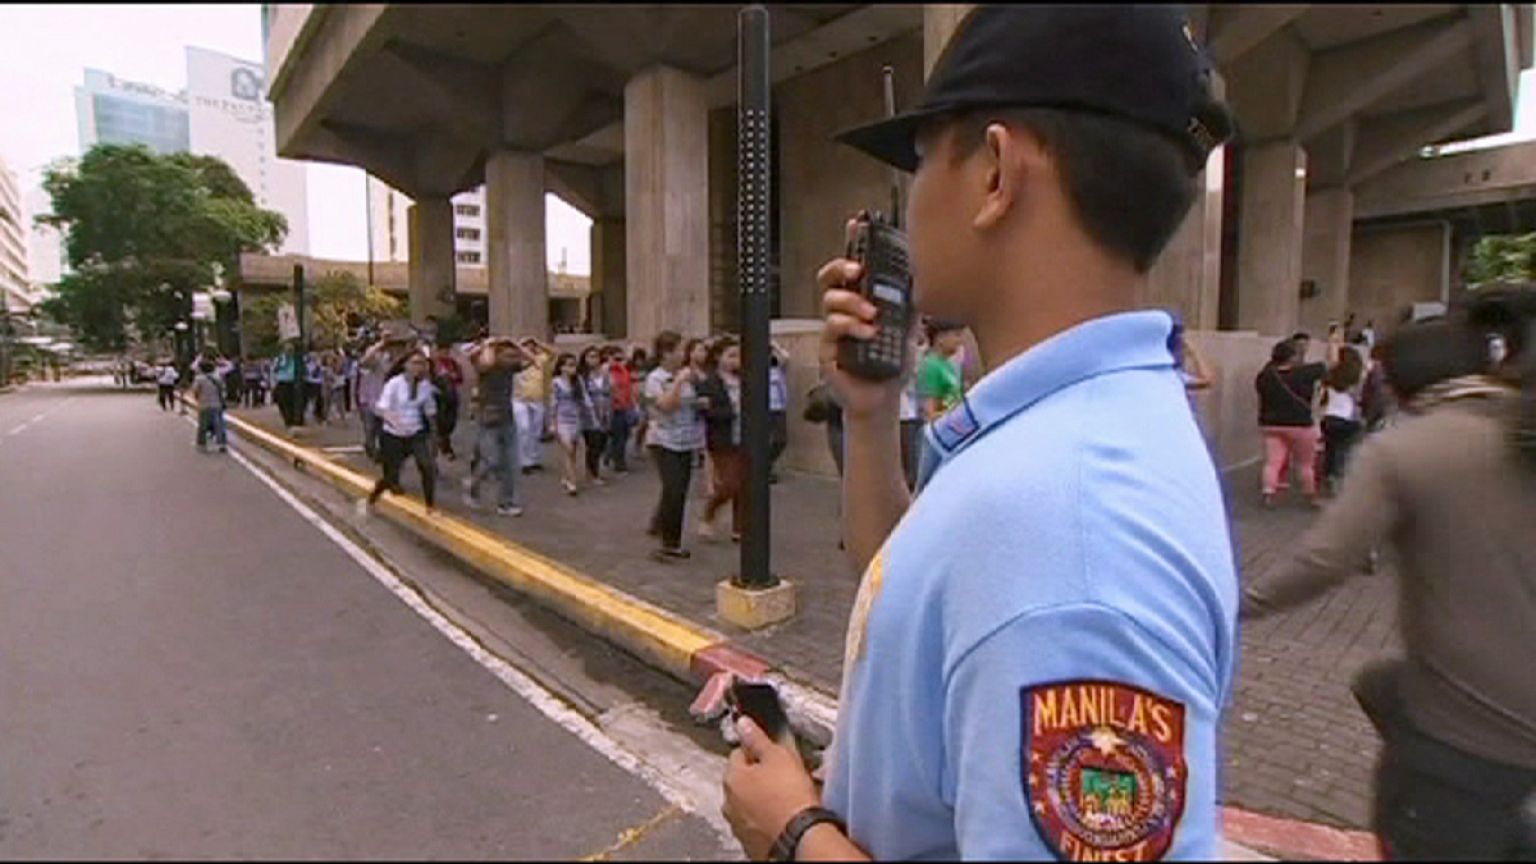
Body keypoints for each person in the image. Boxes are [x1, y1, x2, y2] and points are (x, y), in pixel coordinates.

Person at [720, 6, 1237, 860]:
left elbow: (1022, 581)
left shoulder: (1070, 524)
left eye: (921, 162)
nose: (911, 203)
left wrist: (792, 834)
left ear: (996, 172)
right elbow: (918, 587)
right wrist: (871, 413)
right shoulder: (1060, 435)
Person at [1242, 315, 1536, 861]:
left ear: (1396, 386)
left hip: (1465, 750)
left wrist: (1234, 605)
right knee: (1381, 684)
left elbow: (1325, 559)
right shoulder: (1517, 426)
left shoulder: (1409, 449)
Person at [643, 330, 705, 561]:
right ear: (666, 353)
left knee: (679, 490)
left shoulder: (688, 374)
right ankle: (670, 543)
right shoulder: (655, 379)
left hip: (686, 440)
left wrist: (699, 402)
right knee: (674, 489)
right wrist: (678, 382)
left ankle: (661, 524)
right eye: (679, 350)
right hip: (664, 440)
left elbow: (691, 401)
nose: (683, 355)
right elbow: (666, 405)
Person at [1255, 338, 1326, 508]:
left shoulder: (1264, 376)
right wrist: (1335, 340)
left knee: (1272, 462)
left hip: (1271, 425)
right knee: (1305, 464)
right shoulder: (1304, 373)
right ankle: (1310, 496)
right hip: (1300, 425)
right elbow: (1332, 363)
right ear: (1292, 357)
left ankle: (1268, 493)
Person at [365, 351, 439, 513]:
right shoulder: (394, 384)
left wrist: (435, 439)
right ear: (405, 366)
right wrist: (395, 422)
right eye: (414, 363)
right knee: (391, 476)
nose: (418, 367)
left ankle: (430, 505)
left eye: (422, 363)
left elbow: (431, 413)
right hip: (393, 435)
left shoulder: (425, 387)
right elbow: (381, 408)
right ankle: (373, 497)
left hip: (415, 433)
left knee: (427, 467)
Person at [463, 337, 527, 517]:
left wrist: (514, 343)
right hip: (488, 421)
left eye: (512, 356)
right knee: (491, 461)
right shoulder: (484, 368)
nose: (511, 359)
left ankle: (505, 503)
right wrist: (489, 344)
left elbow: (532, 360)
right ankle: (472, 485)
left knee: (511, 465)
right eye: (507, 356)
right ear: (497, 355)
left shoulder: (511, 369)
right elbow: (478, 358)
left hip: (508, 420)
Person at [696, 337, 744, 542]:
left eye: (738, 356)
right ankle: (709, 514)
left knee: (744, 484)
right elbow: (707, 412)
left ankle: (739, 528)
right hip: (722, 438)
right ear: (718, 357)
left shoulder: (745, 380)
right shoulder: (710, 383)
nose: (736, 360)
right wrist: (732, 411)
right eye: (731, 355)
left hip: (744, 436)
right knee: (730, 483)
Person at [1319, 345, 1366, 494]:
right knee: (1345, 451)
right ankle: (1340, 479)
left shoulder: (1328, 377)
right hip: (1348, 419)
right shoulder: (1357, 379)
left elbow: (1322, 400)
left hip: (1329, 418)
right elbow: (1359, 400)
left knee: (1330, 449)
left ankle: (1329, 475)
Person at [550, 352, 591, 496]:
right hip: (562, 419)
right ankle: (573, 483)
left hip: (576, 419)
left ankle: (566, 475)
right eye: (569, 365)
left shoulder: (578, 381)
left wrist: (591, 415)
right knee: (568, 448)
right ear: (561, 367)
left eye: (574, 365)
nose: (572, 368)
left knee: (573, 451)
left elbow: (585, 399)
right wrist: (553, 423)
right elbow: (553, 403)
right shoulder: (556, 382)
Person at [514, 337, 555, 474]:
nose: (529, 348)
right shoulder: (516, 361)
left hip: (537, 400)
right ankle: (524, 461)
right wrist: (520, 344)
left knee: (536, 431)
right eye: (527, 346)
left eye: (531, 345)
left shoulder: (541, 360)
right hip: (520, 400)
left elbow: (553, 353)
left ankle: (534, 459)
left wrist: (538, 342)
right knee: (524, 428)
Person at [917, 318, 966, 421]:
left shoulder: (949, 365)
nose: (960, 341)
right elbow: (929, 414)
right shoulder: (930, 366)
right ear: (940, 338)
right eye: (956, 335)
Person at [578, 346, 612, 487]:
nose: (594, 360)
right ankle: (593, 474)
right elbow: (582, 396)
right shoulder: (582, 376)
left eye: (596, 356)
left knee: (603, 442)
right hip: (589, 414)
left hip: (605, 411)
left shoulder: (605, 373)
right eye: (590, 356)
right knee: (594, 444)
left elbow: (609, 390)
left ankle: (591, 470)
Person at [430, 341, 465, 461]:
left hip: (452, 396)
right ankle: (445, 448)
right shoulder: (432, 364)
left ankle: (442, 442)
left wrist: (454, 376)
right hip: (438, 397)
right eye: (442, 351)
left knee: (451, 422)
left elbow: (460, 378)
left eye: (447, 351)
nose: (445, 353)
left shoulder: (453, 363)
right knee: (441, 422)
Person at [605, 346, 636, 476]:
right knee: (619, 436)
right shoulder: (607, 371)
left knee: (625, 434)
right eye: (616, 358)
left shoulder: (623, 370)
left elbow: (629, 387)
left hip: (626, 406)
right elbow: (611, 389)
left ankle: (610, 454)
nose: (619, 361)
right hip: (614, 408)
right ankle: (619, 463)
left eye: (620, 358)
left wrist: (632, 404)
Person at [191, 359, 228, 453]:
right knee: (219, 425)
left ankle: (202, 445)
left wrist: (197, 398)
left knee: (203, 426)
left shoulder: (199, 379)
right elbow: (223, 390)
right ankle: (222, 444)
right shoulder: (217, 378)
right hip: (217, 404)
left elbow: (195, 391)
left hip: (204, 404)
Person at [767, 343, 791, 484]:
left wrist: (774, 345)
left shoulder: (778, 370)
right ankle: (766, 469)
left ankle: (766, 463)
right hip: (764, 409)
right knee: (764, 440)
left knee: (780, 440)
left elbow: (786, 357)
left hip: (778, 408)